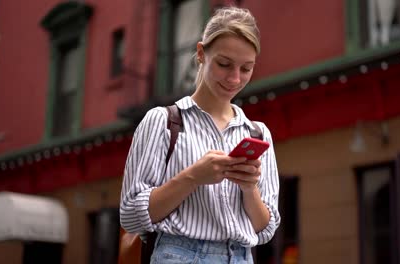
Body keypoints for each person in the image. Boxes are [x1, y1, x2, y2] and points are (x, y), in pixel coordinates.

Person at [120, 6, 280, 264]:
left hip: (241, 257)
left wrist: (249, 189)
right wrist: (193, 177)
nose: (235, 79)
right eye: (224, 64)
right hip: (179, 255)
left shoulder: (258, 133)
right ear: (201, 54)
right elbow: (130, 216)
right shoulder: (163, 121)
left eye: (246, 68)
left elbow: (266, 229)